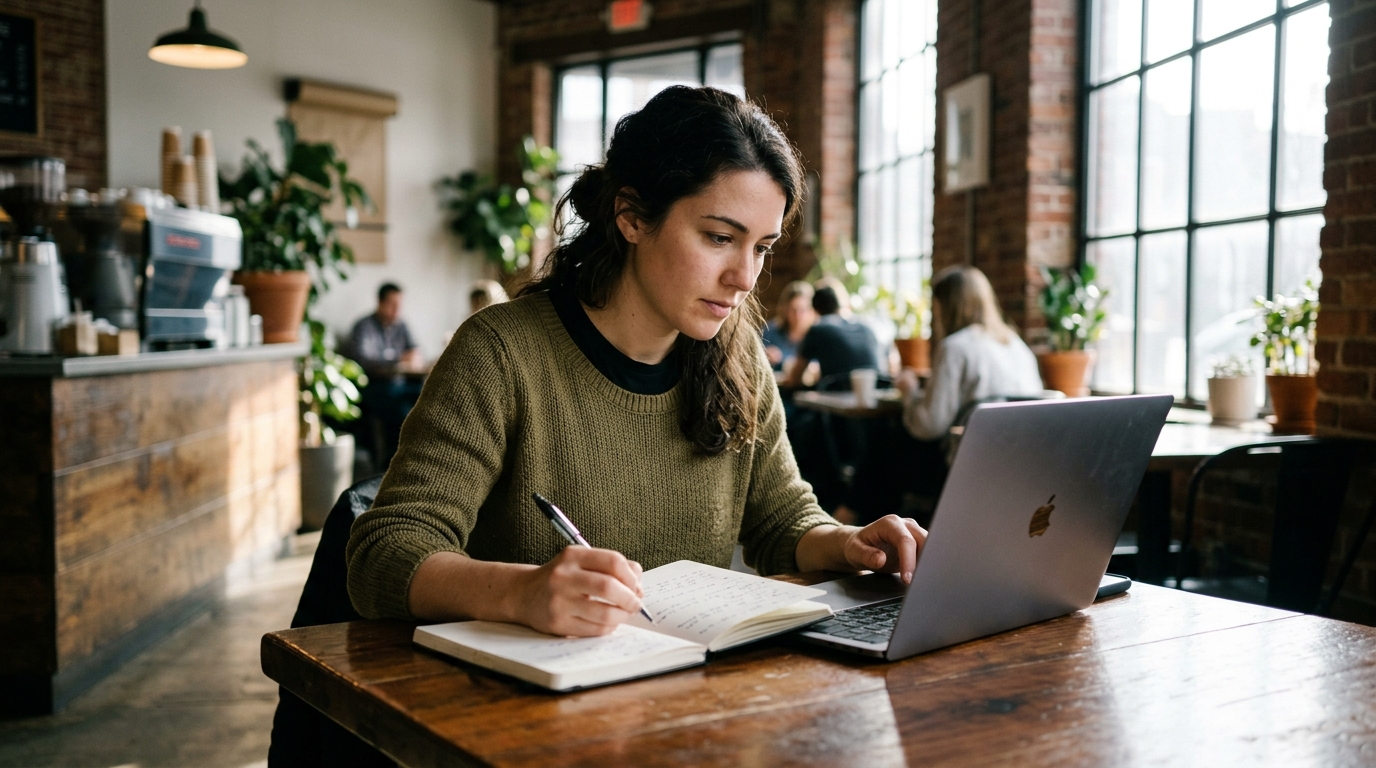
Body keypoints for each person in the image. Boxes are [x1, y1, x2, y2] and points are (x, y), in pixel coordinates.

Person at [345, 86, 926, 638]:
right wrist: (521, 593)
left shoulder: (738, 354)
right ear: (631, 217)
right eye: (720, 238)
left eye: (761, 247)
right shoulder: (501, 353)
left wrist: (848, 543)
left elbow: (781, 521)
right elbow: (386, 552)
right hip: (521, 707)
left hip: (680, 698)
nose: (745, 278)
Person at [840, 265, 1043, 526]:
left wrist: (909, 390)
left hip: (961, 465)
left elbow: (929, 426)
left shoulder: (955, 347)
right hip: (1016, 465)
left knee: (883, 445)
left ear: (944, 306)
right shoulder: (1017, 346)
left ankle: (854, 524)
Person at [348, 283, 424, 468]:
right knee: (400, 408)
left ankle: (420, 456)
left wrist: (413, 356)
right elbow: (363, 359)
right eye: (392, 305)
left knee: (427, 393)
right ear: (380, 303)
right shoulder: (364, 326)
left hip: (401, 384)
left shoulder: (401, 326)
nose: (396, 310)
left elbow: (415, 351)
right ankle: (393, 460)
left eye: (399, 305)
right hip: (375, 386)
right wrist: (397, 358)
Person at [780, 280, 880, 389]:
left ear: (815, 310)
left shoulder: (818, 329)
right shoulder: (866, 327)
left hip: (838, 395)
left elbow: (795, 378)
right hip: (877, 390)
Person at [762, 280, 816, 372]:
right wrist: (764, 355)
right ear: (785, 310)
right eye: (793, 310)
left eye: (802, 310)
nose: (798, 316)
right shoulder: (770, 331)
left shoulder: (815, 335)